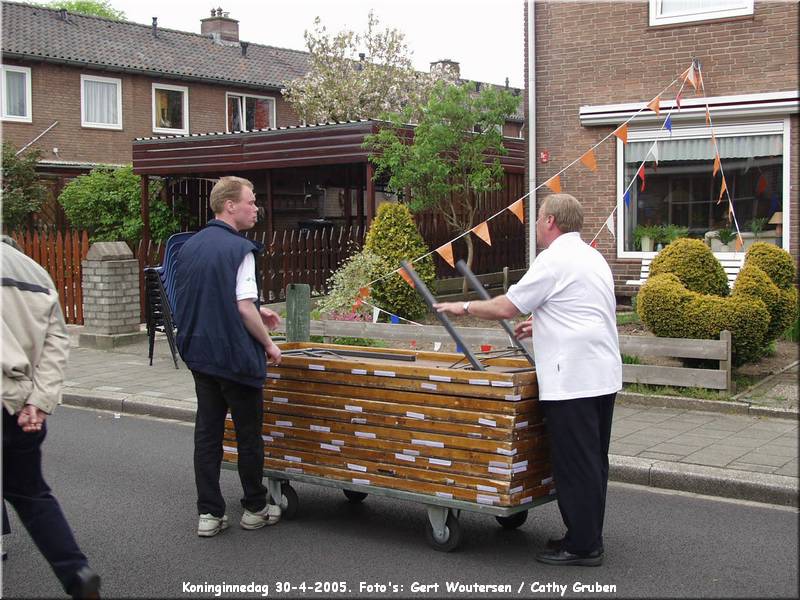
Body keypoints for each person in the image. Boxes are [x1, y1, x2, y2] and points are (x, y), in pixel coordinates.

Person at [434, 193, 621, 567]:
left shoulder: (552, 260)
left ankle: (583, 547)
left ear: (551, 221)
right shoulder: (592, 256)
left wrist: (462, 306)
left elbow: (507, 305)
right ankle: (585, 536)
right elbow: (586, 308)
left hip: (572, 379)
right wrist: (542, 322)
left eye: (538, 219)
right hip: (602, 374)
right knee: (594, 461)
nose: (535, 225)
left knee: (575, 464)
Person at [174, 176, 283, 538]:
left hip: (200, 354)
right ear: (229, 205)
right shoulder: (241, 249)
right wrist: (268, 343)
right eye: (251, 202)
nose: (256, 208)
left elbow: (205, 295)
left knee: (207, 434)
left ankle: (209, 513)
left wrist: (258, 308)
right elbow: (241, 307)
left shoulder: (189, 247)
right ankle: (254, 507)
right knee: (249, 436)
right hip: (235, 358)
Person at [2, 235, 102, 598]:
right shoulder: (35, 271)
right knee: (31, 494)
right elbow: (57, 342)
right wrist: (39, 401)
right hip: (19, 406)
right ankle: (76, 572)